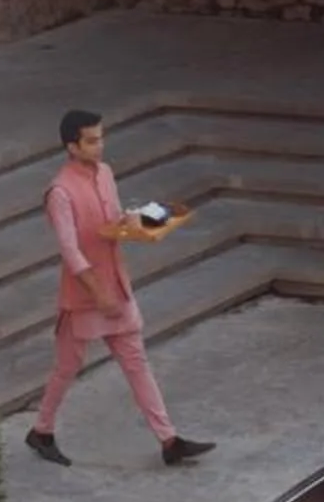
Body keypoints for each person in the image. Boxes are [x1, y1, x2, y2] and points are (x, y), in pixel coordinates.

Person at [25, 109, 214, 469]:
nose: (99, 145)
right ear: (72, 146)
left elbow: (111, 221)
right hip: (84, 296)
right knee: (67, 367)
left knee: (136, 361)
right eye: (91, 140)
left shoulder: (105, 173)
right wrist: (99, 293)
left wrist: (137, 223)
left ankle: (169, 439)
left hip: (115, 284)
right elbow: (69, 251)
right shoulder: (60, 192)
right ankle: (42, 429)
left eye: (100, 138)